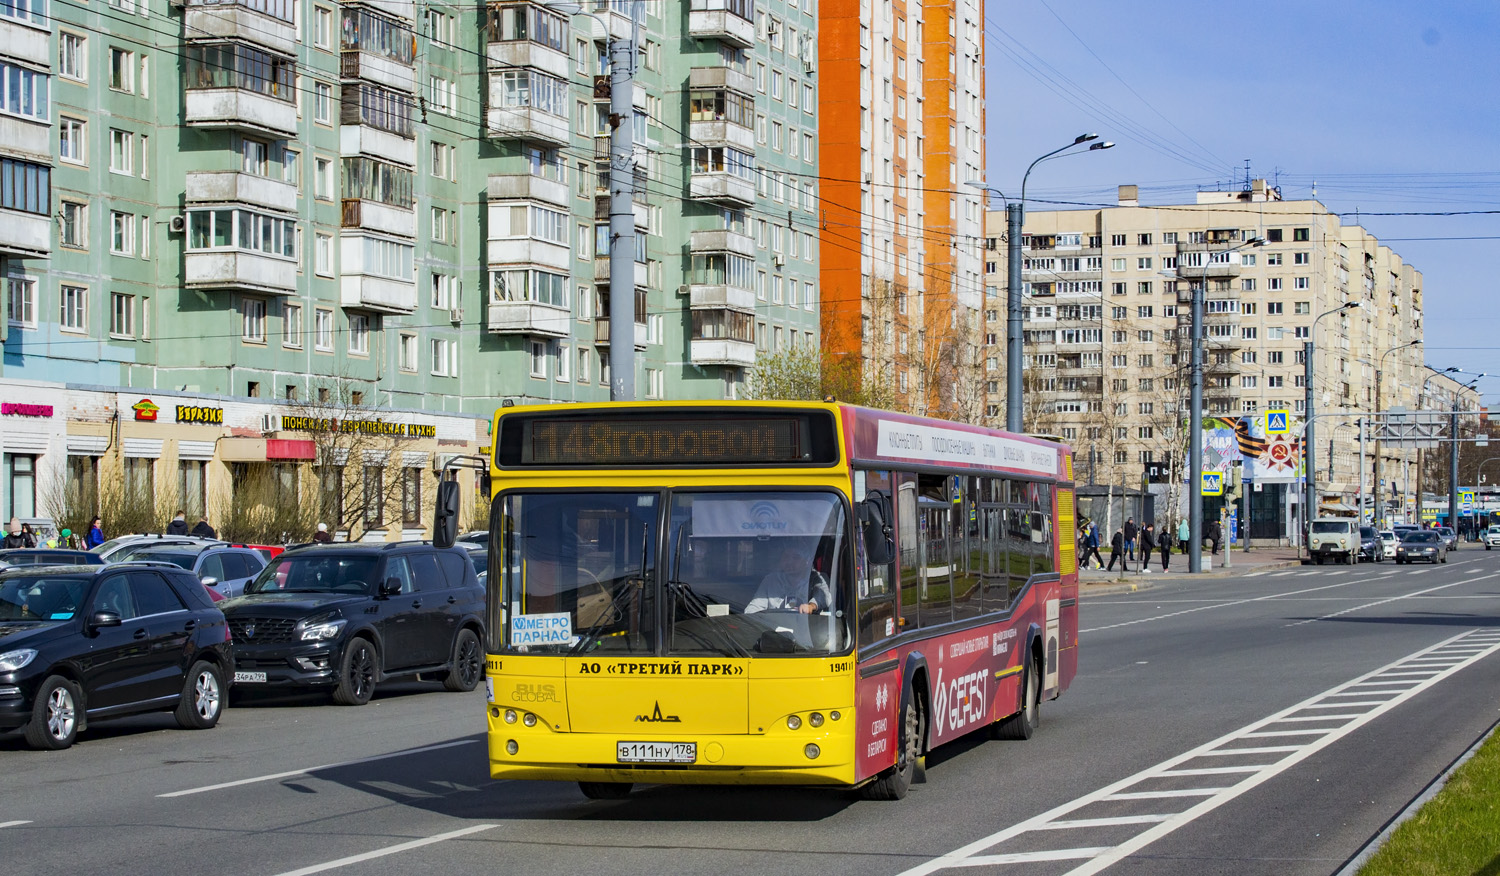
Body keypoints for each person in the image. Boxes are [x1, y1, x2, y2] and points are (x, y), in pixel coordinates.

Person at [746, 543, 831, 614]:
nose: (789, 562)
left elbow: (824, 596)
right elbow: (754, 607)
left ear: (807, 562)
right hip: (774, 630)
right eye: (786, 557)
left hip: (807, 630)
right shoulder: (770, 580)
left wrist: (811, 606)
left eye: (795, 558)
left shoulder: (817, 578)